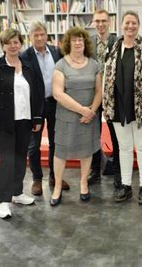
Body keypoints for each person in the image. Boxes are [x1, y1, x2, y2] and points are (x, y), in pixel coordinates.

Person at [103, 10, 142, 205]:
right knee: (125, 148)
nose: (130, 26)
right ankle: (126, 186)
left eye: (134, 23)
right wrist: (105, 103)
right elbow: (106, 77)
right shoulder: (113, 47)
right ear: (121, 25)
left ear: (138, 25)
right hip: (118, 106)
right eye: (127, 23)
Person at [0, 28, 43, 219]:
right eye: (9, 42)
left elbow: (36, 93)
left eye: (16, 42)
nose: (13, 45)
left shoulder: (27, 66)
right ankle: (4, 200)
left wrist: (37, 118)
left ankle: (17, 193)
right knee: (7, 161)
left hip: (25, 121)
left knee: (20, 159)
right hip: (4, 123)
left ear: (21, 44)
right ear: (3, 45)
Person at [50, 27, 102, 206]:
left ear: (85, 42)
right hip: (67, 116)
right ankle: (57, 186)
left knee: (86, 151)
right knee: (61, 152)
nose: (78, 42)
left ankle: (83, 183)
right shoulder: (61, 65)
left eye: (80, 39)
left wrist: (91, 111)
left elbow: (99, 91)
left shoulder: (94, 64)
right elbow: (58, 94)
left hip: (89, 117)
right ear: (68, 43)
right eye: (74, 40)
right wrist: (82, 110)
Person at [20, 22, 70, 196]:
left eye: (42, 34)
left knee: (56, 143)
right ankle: (36, 179)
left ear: (46, 35)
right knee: (33, 145)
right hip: (35, 107)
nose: (39, 38)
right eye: (36, 35)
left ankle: (54, 177)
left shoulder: (57, 52)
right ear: (30, 37)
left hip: (56, 103)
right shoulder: (24, 56)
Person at [87, 9, 121, 189]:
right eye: (97, 21)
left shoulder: (118, 42)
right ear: (94, 23)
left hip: (113, 95)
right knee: (94, 133)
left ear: (109, 22)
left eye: (103, 21)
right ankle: (95, 169)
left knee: (115, 133)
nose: (100, 24)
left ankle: (117, 170)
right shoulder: (88, 43)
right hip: (93, 95)